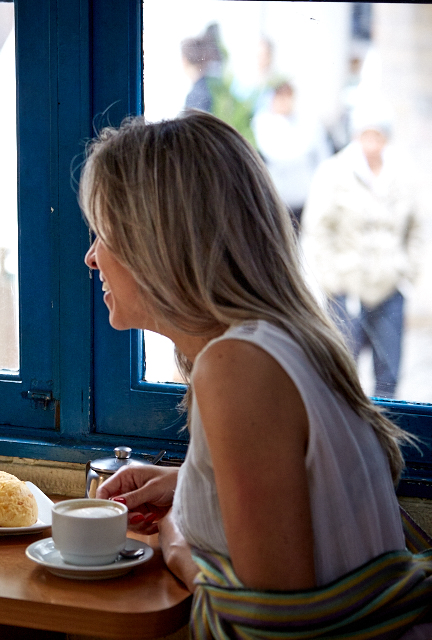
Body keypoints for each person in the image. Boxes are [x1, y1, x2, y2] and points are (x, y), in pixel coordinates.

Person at [82, 111, 431, 637]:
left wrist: (177, 539)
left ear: (157, 244)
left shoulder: (236, 367)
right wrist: (186, 485)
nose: (91, 258)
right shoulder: (287, 342)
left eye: (103, 233)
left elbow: (270, 625)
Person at [301, 101, 421, 399]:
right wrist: (331, 280)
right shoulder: (334, 171)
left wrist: (406, 272)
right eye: (366, 134)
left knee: (389, 378)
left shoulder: (402, 172)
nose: (372, 143)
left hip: (390, 288)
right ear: (356, 135)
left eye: (378, 135)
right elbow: (317, 230)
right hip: (346, 290)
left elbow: (417, 228)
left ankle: (385, 429)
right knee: (340, 376)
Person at [251, 80, 332, 227]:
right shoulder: (262, 123)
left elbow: (323, 157)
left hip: (305, 198)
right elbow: (275, 154)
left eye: (288, 97)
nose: (284, 102)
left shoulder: (309, 122)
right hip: (276, 197)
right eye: (280, 97)